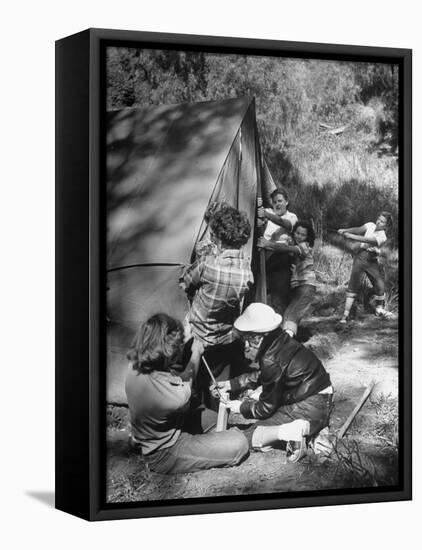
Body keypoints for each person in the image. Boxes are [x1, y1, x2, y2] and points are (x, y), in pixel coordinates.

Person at [125, 313, 249, 474]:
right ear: (167, 353)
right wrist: (195, 352)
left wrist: (185, 331)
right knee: (238, 443)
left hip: (171, 424)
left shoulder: (138, 361)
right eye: (176, 350)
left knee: (212, 419)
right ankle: (156, 451)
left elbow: (167, 344)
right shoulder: (170, 397)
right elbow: (186, 381)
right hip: (166, 450)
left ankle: (139, 440)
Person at [212, 303, 333, 462]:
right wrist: (232, 384)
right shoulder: (280, 340)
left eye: (247, 339)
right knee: (268, 421)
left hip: (309, 404)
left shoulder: (271, 359)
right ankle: (312, 429)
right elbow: (266, 375)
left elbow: (265, 409)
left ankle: (293, 431)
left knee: (246, 437)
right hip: (320, 397)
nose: (247, 346)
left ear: (258, 336)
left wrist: (240, 407)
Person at [180, 205, 254, 407]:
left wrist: (200, 258)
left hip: (198, 338)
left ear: (219, 239)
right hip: (225, 340)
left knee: (192, 390)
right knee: (216, 390)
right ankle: (218, 423)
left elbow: (185, 281)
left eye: (213, 236)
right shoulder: (247, 271)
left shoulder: (207, 265)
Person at [258, 220, 317, 337]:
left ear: (307, 237)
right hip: (298, 287)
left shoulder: (305, 247)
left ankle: (285, 346)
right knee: (287, 315)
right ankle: (285, 342)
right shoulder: (295, 248)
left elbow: (290, 249)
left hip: (306, 287)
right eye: (297, 233)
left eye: (303, 235)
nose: (299, 236)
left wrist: (268, 244)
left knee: (291, 317)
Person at [338, 211, 393, 324]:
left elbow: (366, 240)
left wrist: (350, 236)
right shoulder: (370, 225)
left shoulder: (383, 237)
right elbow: (358, 229)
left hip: (372, 260)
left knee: (380, 285)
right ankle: (345, 315)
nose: (379, 222)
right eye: (379, 219)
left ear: (386, 226)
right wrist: (345, 230)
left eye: (382, 222)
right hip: (361, 257)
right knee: (353, 284)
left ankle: (379, 309)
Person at [258, 188, 298, 314]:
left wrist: (267, 215)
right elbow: (258, 216)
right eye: (274, 202)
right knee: (260, 297)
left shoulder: (291, 217)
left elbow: (285, 224)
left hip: (281, 261)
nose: (277, 204)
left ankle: (281, 329)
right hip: (264, 260)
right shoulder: (269, 212)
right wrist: (258, 206)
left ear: (286, 202)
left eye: (280, 201)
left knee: (279, 299)